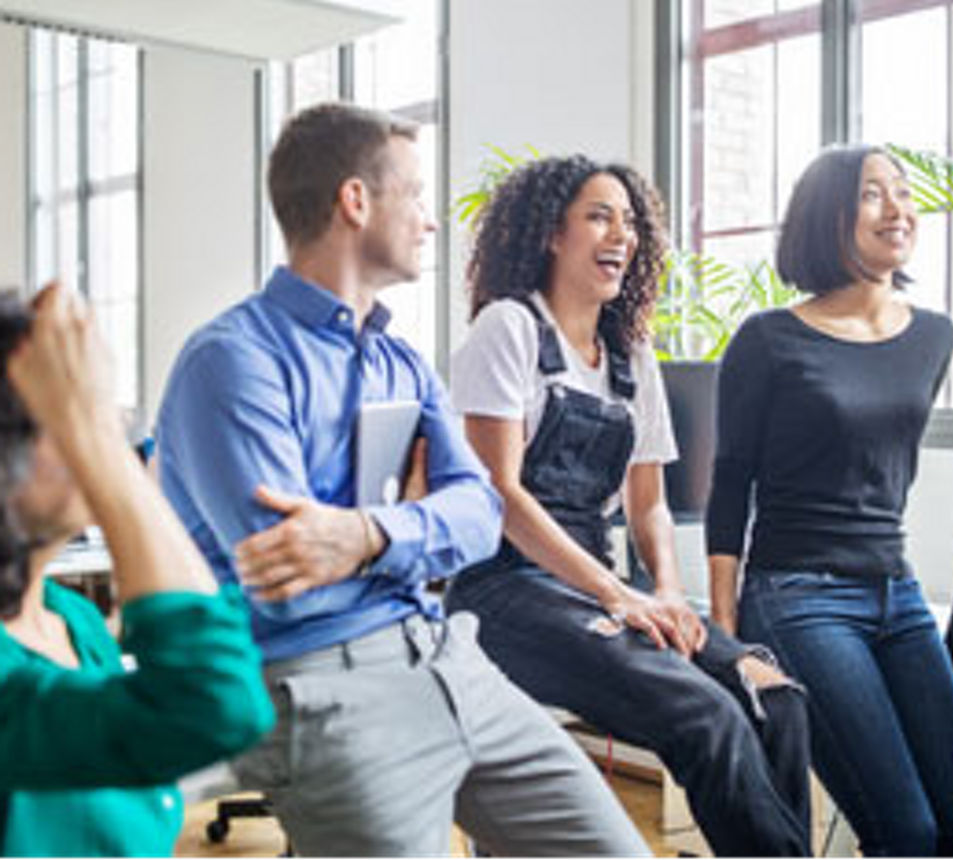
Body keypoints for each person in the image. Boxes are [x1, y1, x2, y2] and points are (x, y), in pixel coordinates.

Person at [156, 104, 646, 857]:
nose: (432, 221)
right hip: (332, 686)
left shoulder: (401, 361)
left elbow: (481, 516)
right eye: (415, 196)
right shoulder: (232, 360)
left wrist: (368, 532)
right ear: (356, 201)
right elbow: (289, 575)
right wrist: (422, 529)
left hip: (452, 659)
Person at [446, 154, 812, 856]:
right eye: (598, 216)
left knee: (779, 702)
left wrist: (670, 597)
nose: (623, 234)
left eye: (630, 220)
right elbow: (501, 494)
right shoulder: (510, 328)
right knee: (706, 714)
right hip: (506, 593)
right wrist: (620, 596)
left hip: (595, 593)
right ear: (552, 233)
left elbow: (648, 506)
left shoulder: (630, 355)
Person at [705, 144, 953, 856]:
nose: (898, 208)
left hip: (898, 593)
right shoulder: (768, 339)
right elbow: (731, 483)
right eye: (872, 194)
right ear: (828, 217)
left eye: (902, 191)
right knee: (907, 833)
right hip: (798, 594)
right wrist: (729, 638)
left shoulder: (934, 336)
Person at [0, 284, 273, 855]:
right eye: (63, 413)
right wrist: (95, 437)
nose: (105, 427)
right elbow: (215, 702)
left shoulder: (72, 617)